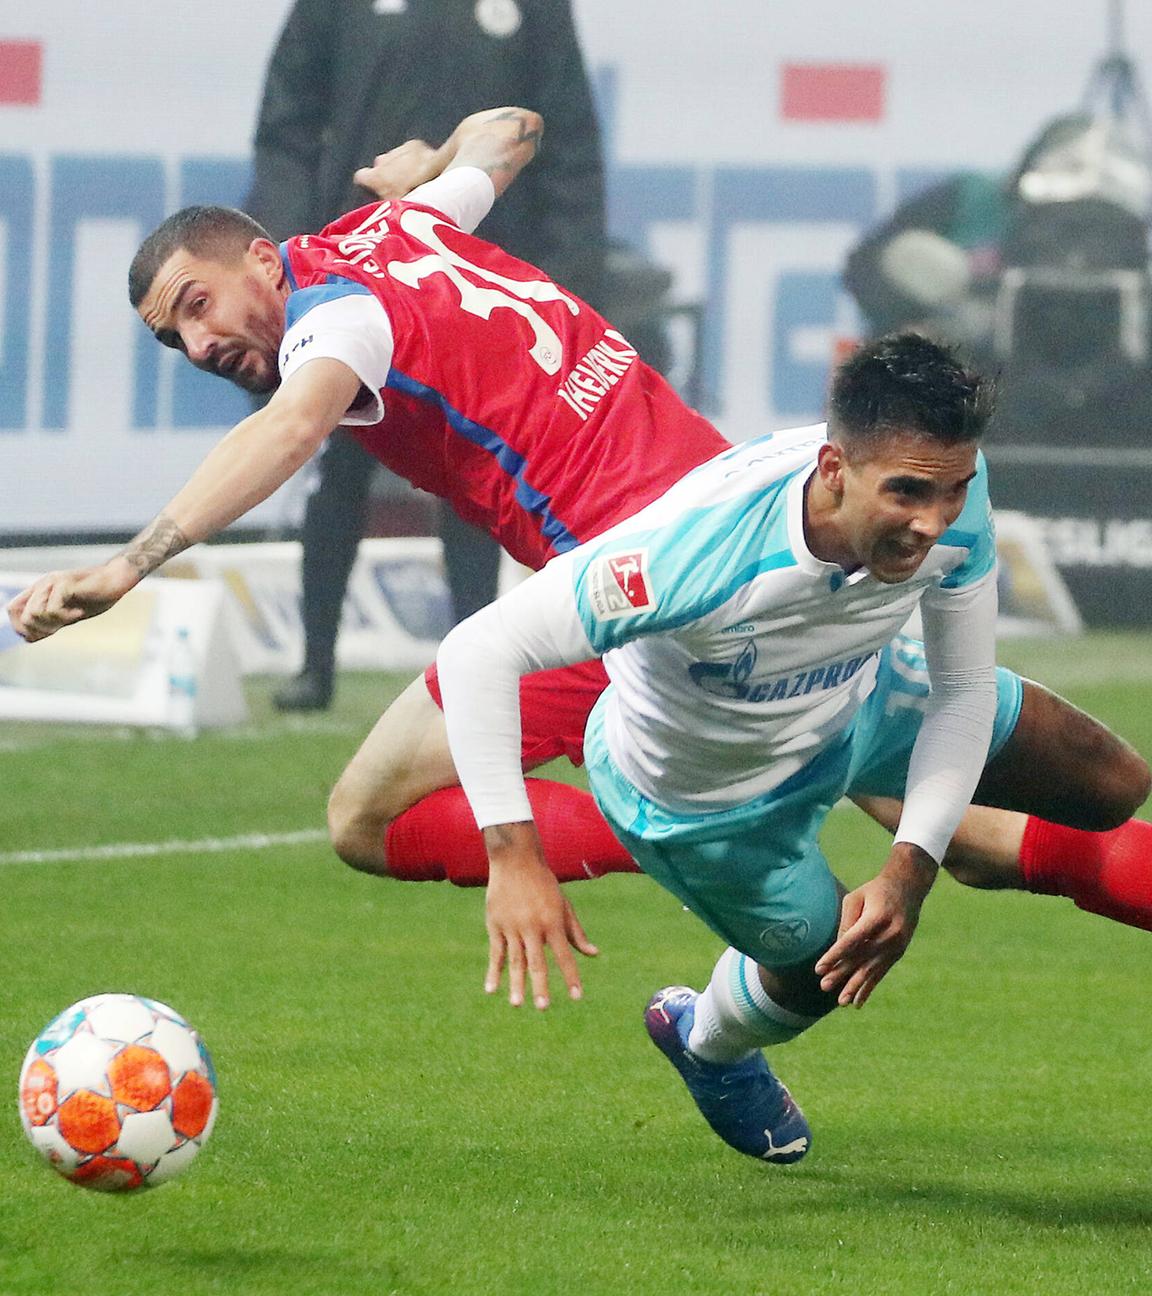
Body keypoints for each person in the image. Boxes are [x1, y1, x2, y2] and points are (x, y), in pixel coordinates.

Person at [7, 108, 1152, 965]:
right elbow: (512, 130)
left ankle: (671, 823)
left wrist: (130, 562)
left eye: (198, 304)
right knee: (967, 835)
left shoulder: (335, 319)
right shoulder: (401, 226)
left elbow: (290, 429)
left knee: (366, 816)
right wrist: (436, 168)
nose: (198, 344)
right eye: (173, 338)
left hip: (646, 582)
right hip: (741, 514)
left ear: (262, 256)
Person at [430, 334, 1144, 1163]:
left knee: (1110, 782)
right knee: (821, 972)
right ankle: (706, 1039)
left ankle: (975, 856)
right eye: (909, 493)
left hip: (867, 694)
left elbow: (962, 691)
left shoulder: (956, 486)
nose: (933, 521)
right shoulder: (689, 554)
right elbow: (479, 651)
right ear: (834, 469)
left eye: (950, 493)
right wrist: (515, 859)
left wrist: (911, 864)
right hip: (708, 796)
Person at [245, 0, 608, 712]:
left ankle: (475, 658)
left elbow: (569, 144)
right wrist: (289, 244)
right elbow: (285, 126)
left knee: (475, 470)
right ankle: (314, 662)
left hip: (485, 279)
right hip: (356, 259)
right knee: (339, 458)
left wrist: (571, 274)